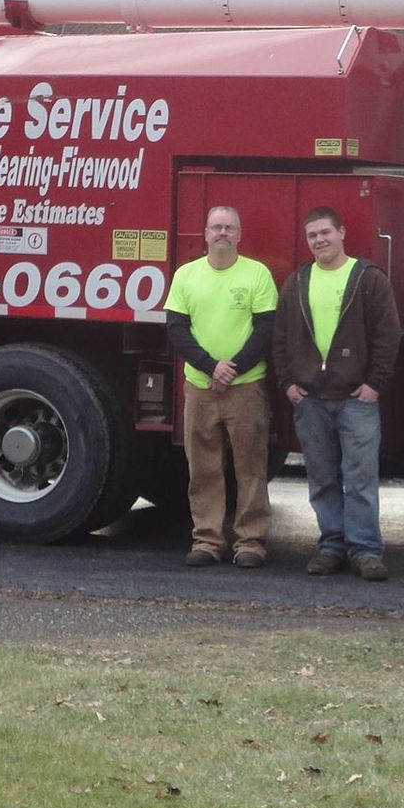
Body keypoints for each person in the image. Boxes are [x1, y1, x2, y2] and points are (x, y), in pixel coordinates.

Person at [273, 206, 401, 581]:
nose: (320, 240)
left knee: (360, 478)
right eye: (312, 235)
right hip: (310, 400)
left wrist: (375, 383)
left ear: (342, 233)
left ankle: (365, 551)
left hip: (356, 400)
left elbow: (387, 335)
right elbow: (279, 337)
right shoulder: (297, 282)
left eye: (326, 232)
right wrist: (287, 383)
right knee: (322, 477)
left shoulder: (369, 279)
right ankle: (331, 546)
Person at [164, 205, 278, 568]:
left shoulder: (257, 274)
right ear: (206, 233)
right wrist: (211, 367)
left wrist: (232, 369)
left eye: (230, 227)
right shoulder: (186, 275)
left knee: (251, 467)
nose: (223, 233)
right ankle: (207, 541)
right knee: (203, 468)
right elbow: (177, 329)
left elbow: (265, 329)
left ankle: (250, 543)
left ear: (240, 235)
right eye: (217, 227)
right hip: (199, 386)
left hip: (246, 386)